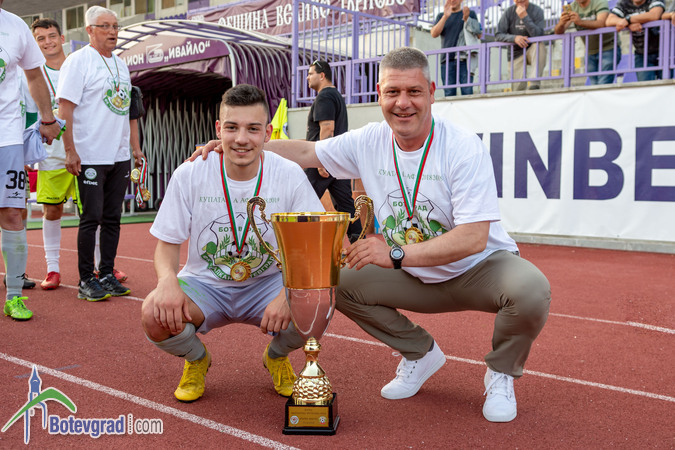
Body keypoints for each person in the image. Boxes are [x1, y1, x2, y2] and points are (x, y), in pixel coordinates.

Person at [197, 47, 551, 423]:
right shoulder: (369, 140)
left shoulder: (462, 147)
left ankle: (501, 372)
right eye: (393, 92)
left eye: (414, 92)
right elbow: (307, 151)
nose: (403, 103)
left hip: (476, 269)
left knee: (530, 290)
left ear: (432, 92)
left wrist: (395, 254)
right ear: (379, 94)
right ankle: (419, 353)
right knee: (337, 280)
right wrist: (242, 145)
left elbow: (474, 238)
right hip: (413, 273)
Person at [141, 84, 323, 403]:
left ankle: (276, 356)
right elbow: (167, 244)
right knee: (153, 313)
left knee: (316, 303)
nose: (241, 139)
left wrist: (287, 294)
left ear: (267, 132)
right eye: (232, 127)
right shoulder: (190, 174)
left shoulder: (289, 174)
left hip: (267, 283)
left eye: (252, 129)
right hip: (205, 285)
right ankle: (197, 359)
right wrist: (167, 281)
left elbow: (314, 244)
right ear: (218, 129)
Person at [57, 6, 144, 301]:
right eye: (105, 26)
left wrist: (135, 148)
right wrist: (70, 150)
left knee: (112, 218)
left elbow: (130, 111)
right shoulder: (77, 61)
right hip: (90, 154)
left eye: (115, 26)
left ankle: (106, 273)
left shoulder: (121, 65)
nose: (112, 32)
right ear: (89, 30)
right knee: (90, 218)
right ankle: (86, 279)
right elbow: (64, 110)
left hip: (118, 155)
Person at [0, 1, 62, 320]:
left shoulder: (15, 25)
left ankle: (14, 295)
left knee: (13, 212)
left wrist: (48, 119)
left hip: (7, 135)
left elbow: (35, 76)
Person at [305, 60, 362, 243]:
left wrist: (321, 161)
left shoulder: (325, 96)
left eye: (311, 73)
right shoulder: (335, 95)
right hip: (338, 159)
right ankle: (359, 240)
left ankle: (298, 242)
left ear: (322, 75)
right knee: (346, 204)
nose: (307, 77)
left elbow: (328, 128)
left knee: (303, 198)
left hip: (324, 159)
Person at [554, 0, 621, 85]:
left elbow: (601, 23)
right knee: (594, 85)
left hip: (609, 48)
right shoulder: (573, 6)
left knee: (603, 83)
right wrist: (561, 23)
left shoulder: (599, 2)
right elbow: (558, 31)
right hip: (590, 51)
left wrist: (580, 22)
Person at [430, 0, 482, 96]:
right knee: (449, 94)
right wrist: (445, 17)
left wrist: (467, 19)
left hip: (465, 59)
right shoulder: (441, 15)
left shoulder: (470, 13)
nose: (452, 0)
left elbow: (479, 34)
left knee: (467, 92)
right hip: (447, 60)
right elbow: (434, 34)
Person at [496, 0, 548, 91]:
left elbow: (538, 35)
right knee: (517, 89)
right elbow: (498, 35)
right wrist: (514, 38)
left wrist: (524, 17)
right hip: (515, 53)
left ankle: (534, 84)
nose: (519, 0)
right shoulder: (509, 12)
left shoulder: (537, 11)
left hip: (532, 49)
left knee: (539, 45)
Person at [607, 0, 665, 81]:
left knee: (668, 85)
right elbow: (609, 21)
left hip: (664, 52)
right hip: (641, 54)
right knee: (645, 86)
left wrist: (628, 20)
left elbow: (654, 15)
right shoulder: (624, 3)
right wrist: (627, 24)